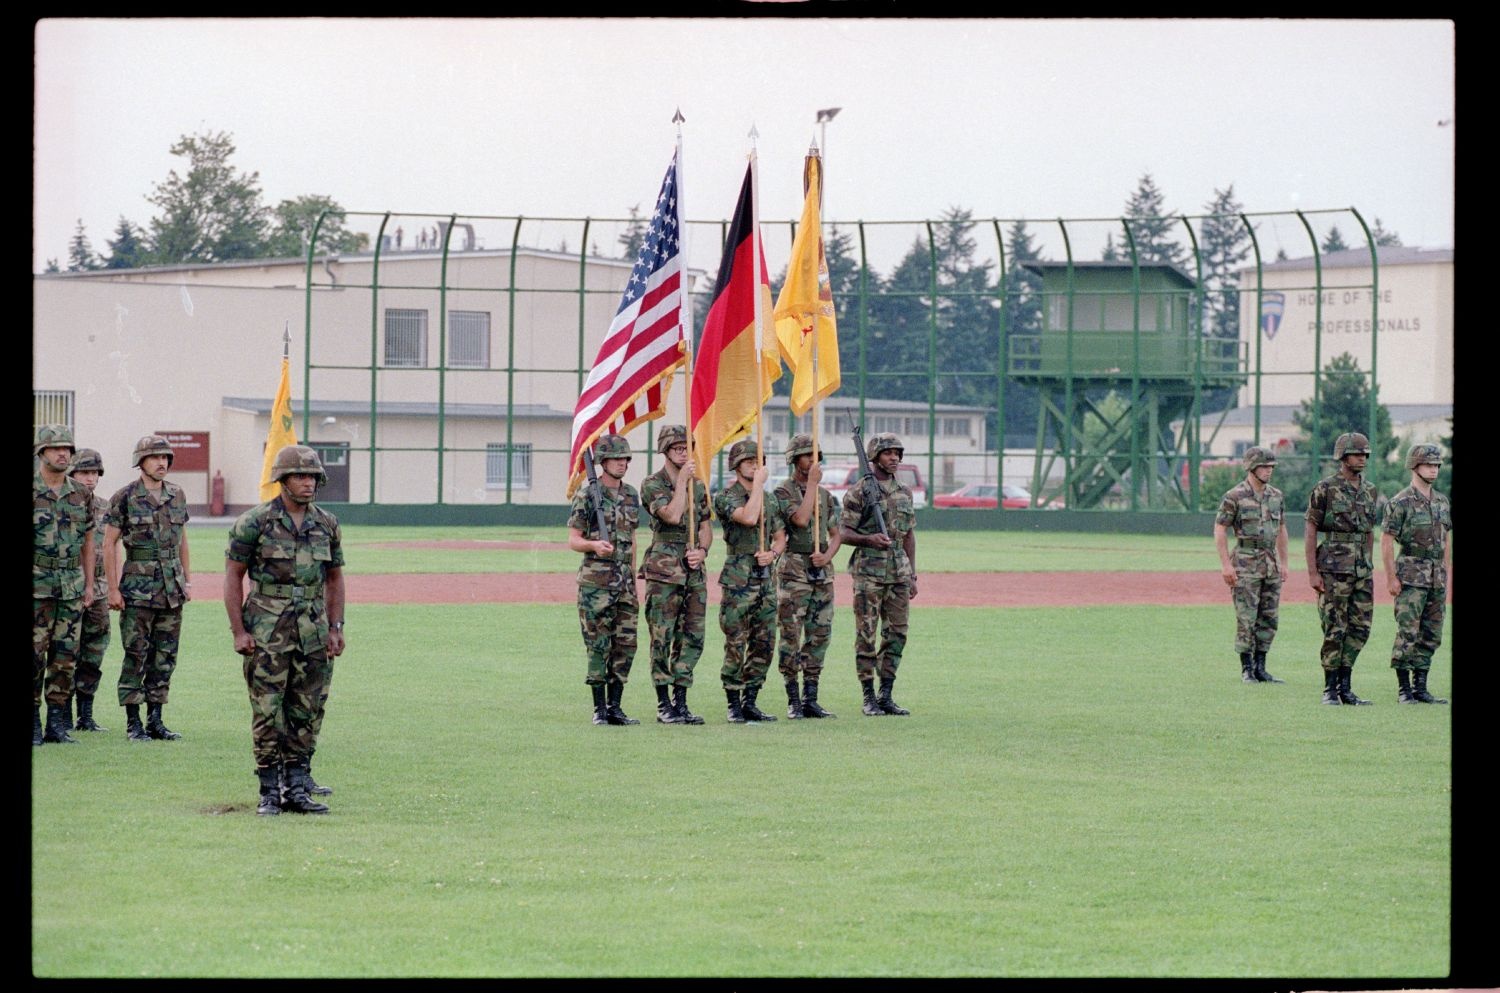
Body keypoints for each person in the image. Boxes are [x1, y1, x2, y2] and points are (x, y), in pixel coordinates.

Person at [225, 445, 347, 816]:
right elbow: (233, 576)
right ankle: (268, 791)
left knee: (307, 709)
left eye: (312, 476)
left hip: (313, 630)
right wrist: (238, 631)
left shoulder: (327, 523)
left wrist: (336, 627)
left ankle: (297, 788)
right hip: (266, 628)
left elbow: (335, 579)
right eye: (299, 475)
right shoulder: (255, 522)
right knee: (267, 710)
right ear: (282, 480)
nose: (308, 482)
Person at [104, 434, 192, 740]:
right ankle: (133, 723)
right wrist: (113, 589)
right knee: (136, 654)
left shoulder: (177, 495)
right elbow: (108, 542)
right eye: (155, 457)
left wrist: (187, 580)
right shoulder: (125, 496)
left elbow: (182, 540)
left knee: (164, 655)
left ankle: (156, 720)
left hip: (172, 589)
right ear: (140, 462)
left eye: (166, 457)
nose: (162, 462)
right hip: (137, 590)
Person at [638, 425, 713, 725]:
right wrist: (682, 481)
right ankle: (663, 703)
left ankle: (681, 700)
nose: (684, 452)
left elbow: (706, 526)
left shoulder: (699, 485)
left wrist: (703, 551)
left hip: (692, 568)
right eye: (678, 447)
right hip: (664, 569)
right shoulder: (652, 484)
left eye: (688, 447)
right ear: (665, 451)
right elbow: (671, 515)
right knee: (662, 635)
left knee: (693, 635)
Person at [840, 432, 918, 716]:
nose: (894, 457)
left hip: (898, 571)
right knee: (866, 634)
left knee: (897, 633)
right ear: (874, 457)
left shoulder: (904, 491)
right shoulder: (859, 491)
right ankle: (868, 695)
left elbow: (909, 534)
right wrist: (869, 539)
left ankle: (886, 693)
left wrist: (912, 574)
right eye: (888, 453)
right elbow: (843, 532)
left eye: (897, 453)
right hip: (869, 572)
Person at [567, 433, 641, 726]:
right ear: (602, 462)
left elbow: (632, 537)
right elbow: (573, 540)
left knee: (625, 645)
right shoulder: (586, 496)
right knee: (599, 645)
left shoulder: (631, 494)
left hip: (624, 582)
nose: (622, 464)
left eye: (625, 459)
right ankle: (599, 709)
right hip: (595, 584)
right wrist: (594, 545)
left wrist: (633, 577)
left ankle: (616, 707)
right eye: (616, 459)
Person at [1304, 431, 1381, 706]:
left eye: (1365, 454)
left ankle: (1346, 687)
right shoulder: (1325, 488)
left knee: (1360, 628)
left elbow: (1370, 530)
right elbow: (1311, 529)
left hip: (1361, 570)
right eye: (1357, 454)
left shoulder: (1370, 490)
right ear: (1343, 456)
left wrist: (1368, 562)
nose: (1362, 458)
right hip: (1333, 569)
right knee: (1334, 627)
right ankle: (1330, 689)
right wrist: (1313, 572)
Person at [713, 438, 786, 723]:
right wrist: (758, 485)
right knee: (736, 641)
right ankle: (733, 702)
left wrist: (773, 553)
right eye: (748, 461)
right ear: (736, 466)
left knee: (764, 641)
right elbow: (749, 517)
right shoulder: (726, 496)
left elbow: (781, 536)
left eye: (758, 461)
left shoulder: (770, 499)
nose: (755, 466)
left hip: (765, 577)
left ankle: (751, 699)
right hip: (739, 577)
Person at [33, 425, 95, 745]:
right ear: (41, 452)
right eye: (56, 448)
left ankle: (56, 724)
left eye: (68, 449)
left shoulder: (81, 493)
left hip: (71, 585)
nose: (63, 454)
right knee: (34, 654)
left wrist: (88, 583)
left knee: (65, 657)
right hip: (37, 585)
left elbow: (88, 540)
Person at [774, 433, 842, 719]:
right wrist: (811, 485)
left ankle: (811, 697)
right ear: (794, 459)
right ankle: (793, 699)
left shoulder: (827, 497)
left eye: (815, 456)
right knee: (791, 635)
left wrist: (827, 556)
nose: (813, 461)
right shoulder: (783, 492)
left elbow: (837, 534)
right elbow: (800, 520)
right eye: (806, 456)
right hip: (794, 573)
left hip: (821, 573)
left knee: (819, 635)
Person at [1381, 444, 1451, 705]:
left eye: (1436, 465)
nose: (1433, 469)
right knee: (1407, 632)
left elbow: (1446, 537)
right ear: (1414, 466)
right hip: (1411, 576)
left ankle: (1421, 688)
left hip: (1436, 577)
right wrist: (1390, 577)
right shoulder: (1400, 502)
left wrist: (1445, 570)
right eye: (1428, 465)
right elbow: (1386, 541)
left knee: (1432, 633)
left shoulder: (1442, 501)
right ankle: (1404, 690)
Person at [1213, 446, 1289, 684]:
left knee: (1269, 617)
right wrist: (1226, 565)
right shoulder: (1234, 496)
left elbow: (1282, 529)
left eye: (1270, 467)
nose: (1268, 471)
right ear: (1251, 468)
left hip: (1270, 563)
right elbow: (1220, 528)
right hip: (1245, 561)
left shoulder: (1276, 496)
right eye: (1264, 467)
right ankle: (1246, 669)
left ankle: (1261, 667)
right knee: (1247, 617)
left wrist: (1284, 562)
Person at [66, 448, 112, 732]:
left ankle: (85, 715)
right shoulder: (63, 506)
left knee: (94, 652)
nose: (90, 478)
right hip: (69, 588)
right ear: (72, 474)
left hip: (100, 590)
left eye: (94, 473)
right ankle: (62, 716)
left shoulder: (106, 508)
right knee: (65, 653)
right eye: (84, 472)